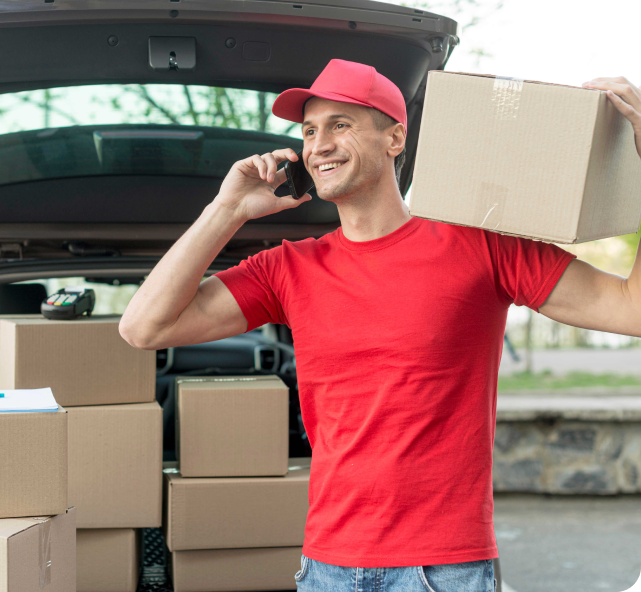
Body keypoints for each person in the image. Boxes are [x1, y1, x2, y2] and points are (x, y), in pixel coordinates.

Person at [119, 59, 641, 591]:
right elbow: (144, 328)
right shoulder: (289, 268)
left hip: (441, 569)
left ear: (395, 138)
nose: (317, 144)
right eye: (308, 131)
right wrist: (226, 210)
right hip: (328, 566)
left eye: (340, 125)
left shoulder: (481, 244)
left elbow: (631, 307)